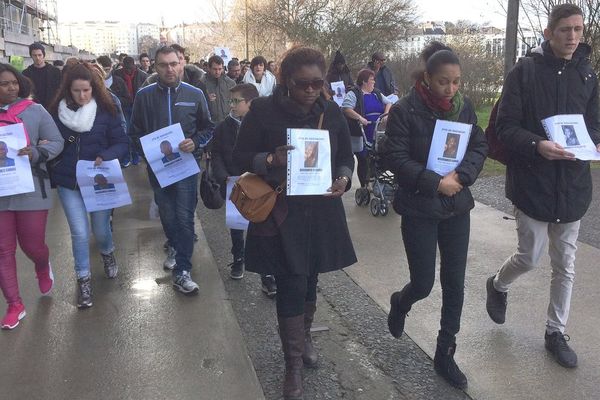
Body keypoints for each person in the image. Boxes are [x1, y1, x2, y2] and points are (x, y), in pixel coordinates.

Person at [233, 46, 356, 400]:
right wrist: (269, 157)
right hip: (281, 212)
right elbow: (238, 157)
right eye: (304, 83)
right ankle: (293, 366)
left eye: (318, 83)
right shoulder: (262, 110)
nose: (311, 90)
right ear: (286, 80)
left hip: (319, 211)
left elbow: (345, 158)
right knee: (291, 282)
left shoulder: (331, 112)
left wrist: (343, 180)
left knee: (310, 277)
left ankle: (303, 342)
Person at [486, 3, 600, 369]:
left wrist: (592, 142)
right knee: (530, 256)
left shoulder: (588, 75)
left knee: (565, 263)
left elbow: (595, 124)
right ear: (549, 33)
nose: (572, 37)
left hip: (572, 184)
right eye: (565, 29)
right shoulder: (525, 72)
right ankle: (498, 285)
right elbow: (504, 127)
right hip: (533, 182)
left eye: (578, 30)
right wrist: (537, 145)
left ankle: (555, 331)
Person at [381, 41, 487, 389]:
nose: (451, 89)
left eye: (456, 82)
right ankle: (401, 301)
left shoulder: (464, 108)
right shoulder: (405, 110)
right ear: (427, 78)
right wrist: (433, 182)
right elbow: (395, 157)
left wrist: (461, 177)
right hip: (419, 207)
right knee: (424, 283)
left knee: (454, 282)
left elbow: (478, 146)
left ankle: (446, 351)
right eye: (444, 81)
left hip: (456, 206)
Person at [130, 46, 214, 295]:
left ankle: (183, 271)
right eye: (163, 64)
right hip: (159, 170)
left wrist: (196, 142)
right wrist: (148, 153)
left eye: (174, 63)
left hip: (187, 168)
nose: (170, 69)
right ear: (155, 67)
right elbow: (134, 132)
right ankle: (175, 248)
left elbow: (209, 128)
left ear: (182, 63)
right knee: (167, 215)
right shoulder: (144, 96)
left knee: (185, 217)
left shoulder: (195, 94)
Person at [48, 62, 129, 309]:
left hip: (98, 181)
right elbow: (49, 142)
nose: (82, 96)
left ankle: (107, 252)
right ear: (67, 90)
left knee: (101, 230)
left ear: (94, 88)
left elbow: (122, 142)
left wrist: (106, 155)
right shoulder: (56, 113)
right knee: (80, 233)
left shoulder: (106, 110)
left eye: (86, 90)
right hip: (68, 182)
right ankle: (83, 279)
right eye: (76, 91)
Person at [0, 63, 64, 329]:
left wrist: (36, 152)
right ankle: (14, 304)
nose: (11, 87)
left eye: (14, 82)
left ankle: (42, 264)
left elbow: (57, 142)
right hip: (2, 193)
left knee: (32, 245)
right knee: (3, 250)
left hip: (31, 188)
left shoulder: (34, 111)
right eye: (4, 84)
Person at [210, 83, 277, 296]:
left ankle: (267, 274)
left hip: (259, 185)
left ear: (250, 103)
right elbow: (217, 154)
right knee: (237, 227)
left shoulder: (266, 125)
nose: (231, 106)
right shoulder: (223, 127)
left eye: (236, 101)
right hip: (234, 182)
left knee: (263, 229)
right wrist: (223, 176)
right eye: (230, 101)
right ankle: (238, 258)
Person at [342, 68, 392, 188]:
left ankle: (376, 180)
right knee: (364, 158)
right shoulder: (354, 93)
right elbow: (346, 108)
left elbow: (389, 102)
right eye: (371, 80)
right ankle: (364, 185)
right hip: (362, 130)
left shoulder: (377, 93)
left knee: (378, 157)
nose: (374, 82)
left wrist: (386, 114)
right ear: (364, 82)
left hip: (378, 131)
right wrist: (360, 118)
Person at [22, 42, 62, 109]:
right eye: (34, 55)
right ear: (31, 56)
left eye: (39, 55)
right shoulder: (26, 73)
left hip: (53, 108)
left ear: (43, 55)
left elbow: (59, 90)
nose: (37, 58)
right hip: (34, 107)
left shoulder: (55, 71)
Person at [202, 55, 236, 124]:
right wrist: (206, 98)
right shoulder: (202, 83)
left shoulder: (230, 83)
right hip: (210, 124)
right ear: (209, 68)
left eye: (220, 69)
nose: (217, 72)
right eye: (215, 69)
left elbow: (235, 102)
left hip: (227, 123)